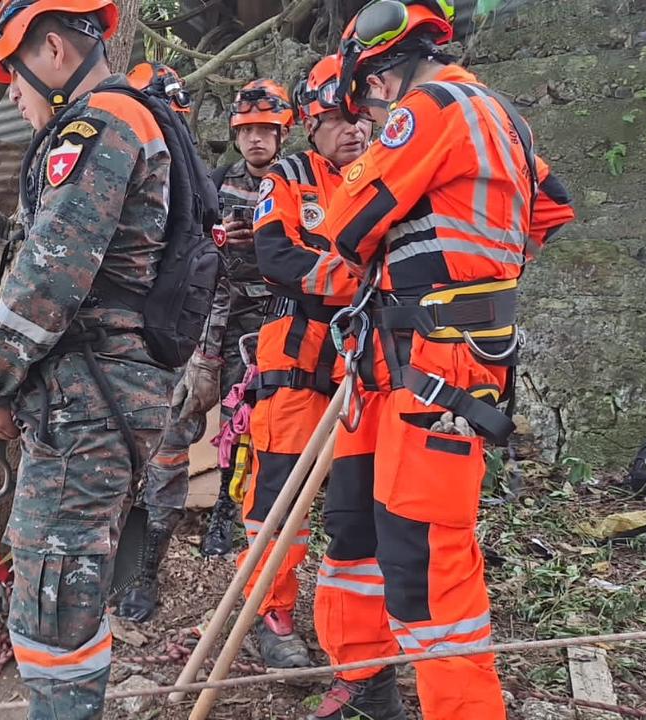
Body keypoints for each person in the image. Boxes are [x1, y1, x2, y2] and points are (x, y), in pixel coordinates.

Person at [308, 2, 575, 718]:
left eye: (365, 94)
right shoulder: (503, 117)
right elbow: (551, 206)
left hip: (436, 366)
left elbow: (345, 224)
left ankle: (461, 710)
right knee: (357, 523)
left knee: (426, 561)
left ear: (381, 72)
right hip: (409, 359)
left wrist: (446, 285)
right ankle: (366, 682)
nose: (367, 109)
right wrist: (476, 272)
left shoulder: (431, 108)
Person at [0, 1, 174, 717]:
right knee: (71, 582)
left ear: (53, 49)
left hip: (84, 405)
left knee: (54, 599)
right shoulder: (136, 117)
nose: (13, 96)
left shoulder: (97, 127)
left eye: (13, 77)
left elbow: (48, 278)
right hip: (105, 394)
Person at [243, 55, 371, 668]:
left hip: (366, 353)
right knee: (278, 492)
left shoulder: (387, 173)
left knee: (357, 494)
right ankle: (272, 612)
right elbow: (276, 256)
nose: (355, 129)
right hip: (297, 345)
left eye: (361, 116)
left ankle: (353, 629)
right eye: (338, 118)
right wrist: (357, 282)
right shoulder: (289, 177)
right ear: (312, 125)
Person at [113, 60, 232, 623]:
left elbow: (215, 281)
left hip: (173, 353)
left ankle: (145, 572)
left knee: (167, 458)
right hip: (111, 354)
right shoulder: (108, 173)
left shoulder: (198, 190)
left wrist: (204, 358)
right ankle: (106, 559)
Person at [191, 78, 300, 559]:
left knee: (245, 419)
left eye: (266, 129)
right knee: (189, 410)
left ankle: (225, 512)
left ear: (282, 134)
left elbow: (314, 246)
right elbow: (191, 241)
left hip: (270, 319)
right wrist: (216, 237)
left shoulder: (299, 180)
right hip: (216, 314)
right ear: (236, 135)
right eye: (248, 129)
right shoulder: (216, 181)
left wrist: (260, 241)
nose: (257, 138)